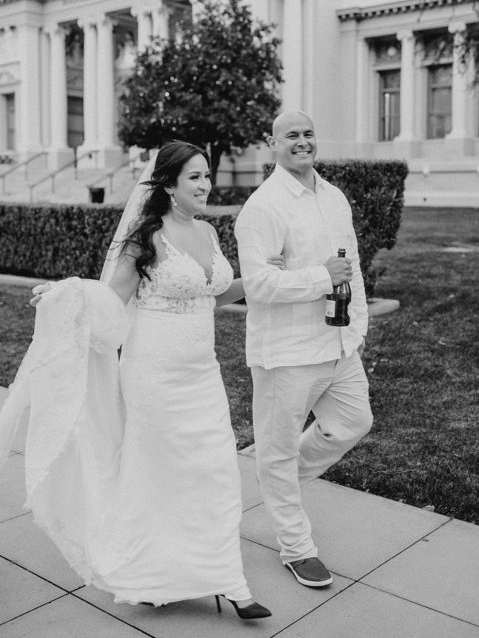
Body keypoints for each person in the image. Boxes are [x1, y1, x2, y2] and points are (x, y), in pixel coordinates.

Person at [0, 141, 273, 619]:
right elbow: (111, 301)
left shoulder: (208, 232)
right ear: (168, 184)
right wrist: (69, 295)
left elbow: (211, 294)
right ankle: (153, 573)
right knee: (159, 472)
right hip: (154, 374)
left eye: (207, 174)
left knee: (214, 469)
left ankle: (227, 575)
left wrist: (259, 279)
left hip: (201, 373)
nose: (205, 184)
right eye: (194, 176)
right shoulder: (145, 238)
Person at [234, 110, 371, 589]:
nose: (303, 141)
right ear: (273, 144)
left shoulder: (334, 197)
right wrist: (318, 279)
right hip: (286, 352)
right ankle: (296, 547)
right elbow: (259, 284)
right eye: (291, 135)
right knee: (274, 450)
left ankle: (281, 481)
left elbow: (351, 265)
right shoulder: (262, 207)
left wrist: (358, 325)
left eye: (309, 133)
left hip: (338, 342)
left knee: (354, 422)